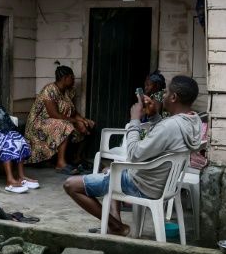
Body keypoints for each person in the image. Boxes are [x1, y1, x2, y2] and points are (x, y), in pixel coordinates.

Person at [63, 75, 203, 236]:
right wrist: (153, 116)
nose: (163, 95)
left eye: (166, 93)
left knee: (70, 185)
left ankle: (116, 226)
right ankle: (115, 224)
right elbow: (168, 136)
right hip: (164, 184)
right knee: (109, 169)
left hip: (143, 185)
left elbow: (134, 154)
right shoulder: (193, 121)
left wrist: (134, 120)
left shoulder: (170, 126)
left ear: (173, 97)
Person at [24, 65, 94, 174]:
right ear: (65, 78)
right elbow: (54, 114)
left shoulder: (69, 91)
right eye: (72, 77)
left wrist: (81, 121)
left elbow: (73, 112)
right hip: (40, 123)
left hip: (57, 121)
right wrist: (76, 122)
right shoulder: (49, 90)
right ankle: (61, 164)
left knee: (88, 123)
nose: (74, 80)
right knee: (65, 125)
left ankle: (77, 158)